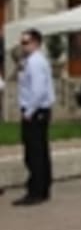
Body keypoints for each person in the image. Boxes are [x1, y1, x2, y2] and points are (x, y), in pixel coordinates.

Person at [14, 28, 56, 206]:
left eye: (26, 42)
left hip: (35, 111)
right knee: (40, 150)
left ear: (36, 43)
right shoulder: (32, 61)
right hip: (39, 110)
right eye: (22, 42)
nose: (23, 46)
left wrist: (29, 111)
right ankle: (42, 188)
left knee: (34, 153)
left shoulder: (35, 62)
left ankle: (36, 191)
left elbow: (38, 91)